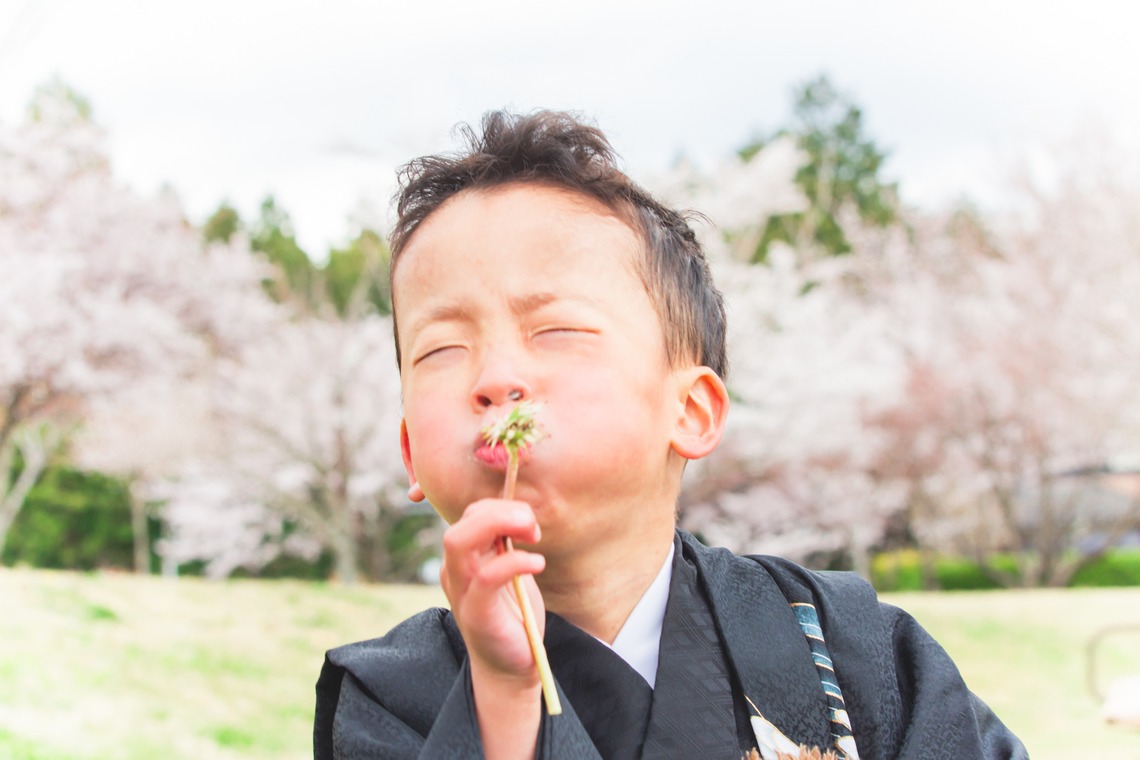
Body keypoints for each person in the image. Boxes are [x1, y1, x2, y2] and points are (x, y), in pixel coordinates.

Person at [313, 110, 1028, 760]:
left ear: (690, 411)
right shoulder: (386, 698)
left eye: (555, 330)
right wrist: (503, 698)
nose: (497, 378)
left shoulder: (844, 645)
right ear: (409, 450)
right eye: (442, 349)